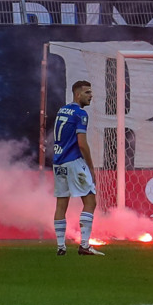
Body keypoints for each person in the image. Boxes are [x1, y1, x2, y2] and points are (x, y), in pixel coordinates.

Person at [51, 79, 102, 256]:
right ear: (78, 94)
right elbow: (82, 144)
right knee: (90, 201)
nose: (91, 96)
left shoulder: (62, 110)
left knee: (61, 203)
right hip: (74, 161)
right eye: (87, 92)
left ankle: (60, 247)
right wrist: (91, 168)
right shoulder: (80, 114)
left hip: (58, 162)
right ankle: (85, 245)